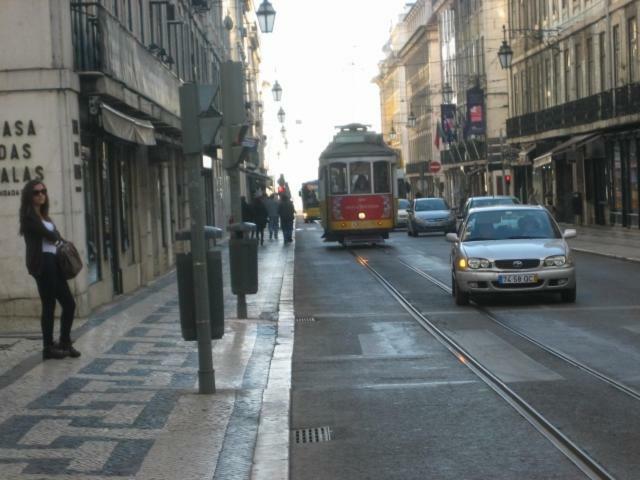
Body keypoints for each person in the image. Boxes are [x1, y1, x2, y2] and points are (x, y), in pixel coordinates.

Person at [19, 180, 80, 360]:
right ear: (29, 196)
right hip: (43, 264)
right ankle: (48, 347)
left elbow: (57, 237)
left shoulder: (46, 217)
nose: (41, 195)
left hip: (54, 262)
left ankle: (65, 342)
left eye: (43, 191)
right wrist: (59, 240)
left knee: (69, 303)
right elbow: (51, 236)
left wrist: (61, 242)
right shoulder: (28, 218)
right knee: (49, 305)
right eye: (36, 192)